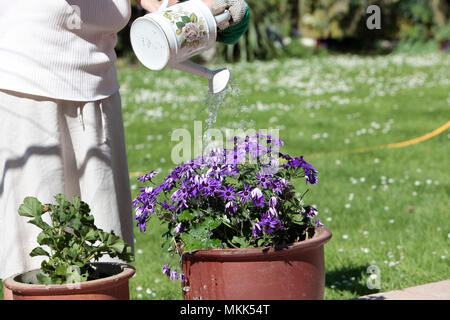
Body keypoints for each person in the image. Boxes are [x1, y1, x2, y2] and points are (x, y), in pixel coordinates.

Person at [0, 0, 249, 292]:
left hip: (98, 85)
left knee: (105, 246)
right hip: (30, 88)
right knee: (35, 250)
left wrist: (189, 13)